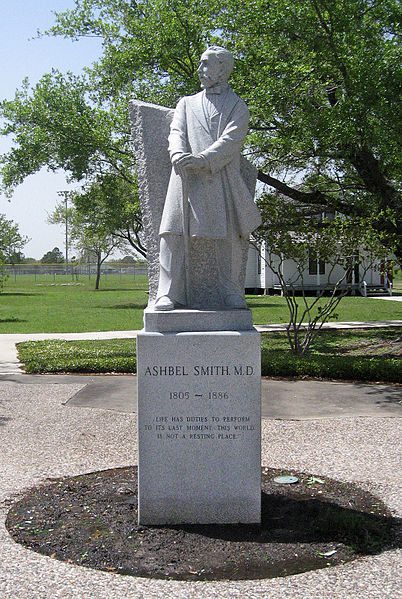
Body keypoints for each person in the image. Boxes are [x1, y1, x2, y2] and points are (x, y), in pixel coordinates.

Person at [154, 46, 261, 311]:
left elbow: (231, 141)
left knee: (227, 236)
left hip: (219, 178)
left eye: (205, 65)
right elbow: (176, 131)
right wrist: (178, 153)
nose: (200, 70)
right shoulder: (186, 103)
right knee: (171, 233)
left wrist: (203, 160)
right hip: (185, 179)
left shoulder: (238, 106)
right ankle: (167, 292)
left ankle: (231, 291)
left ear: (222, 69)